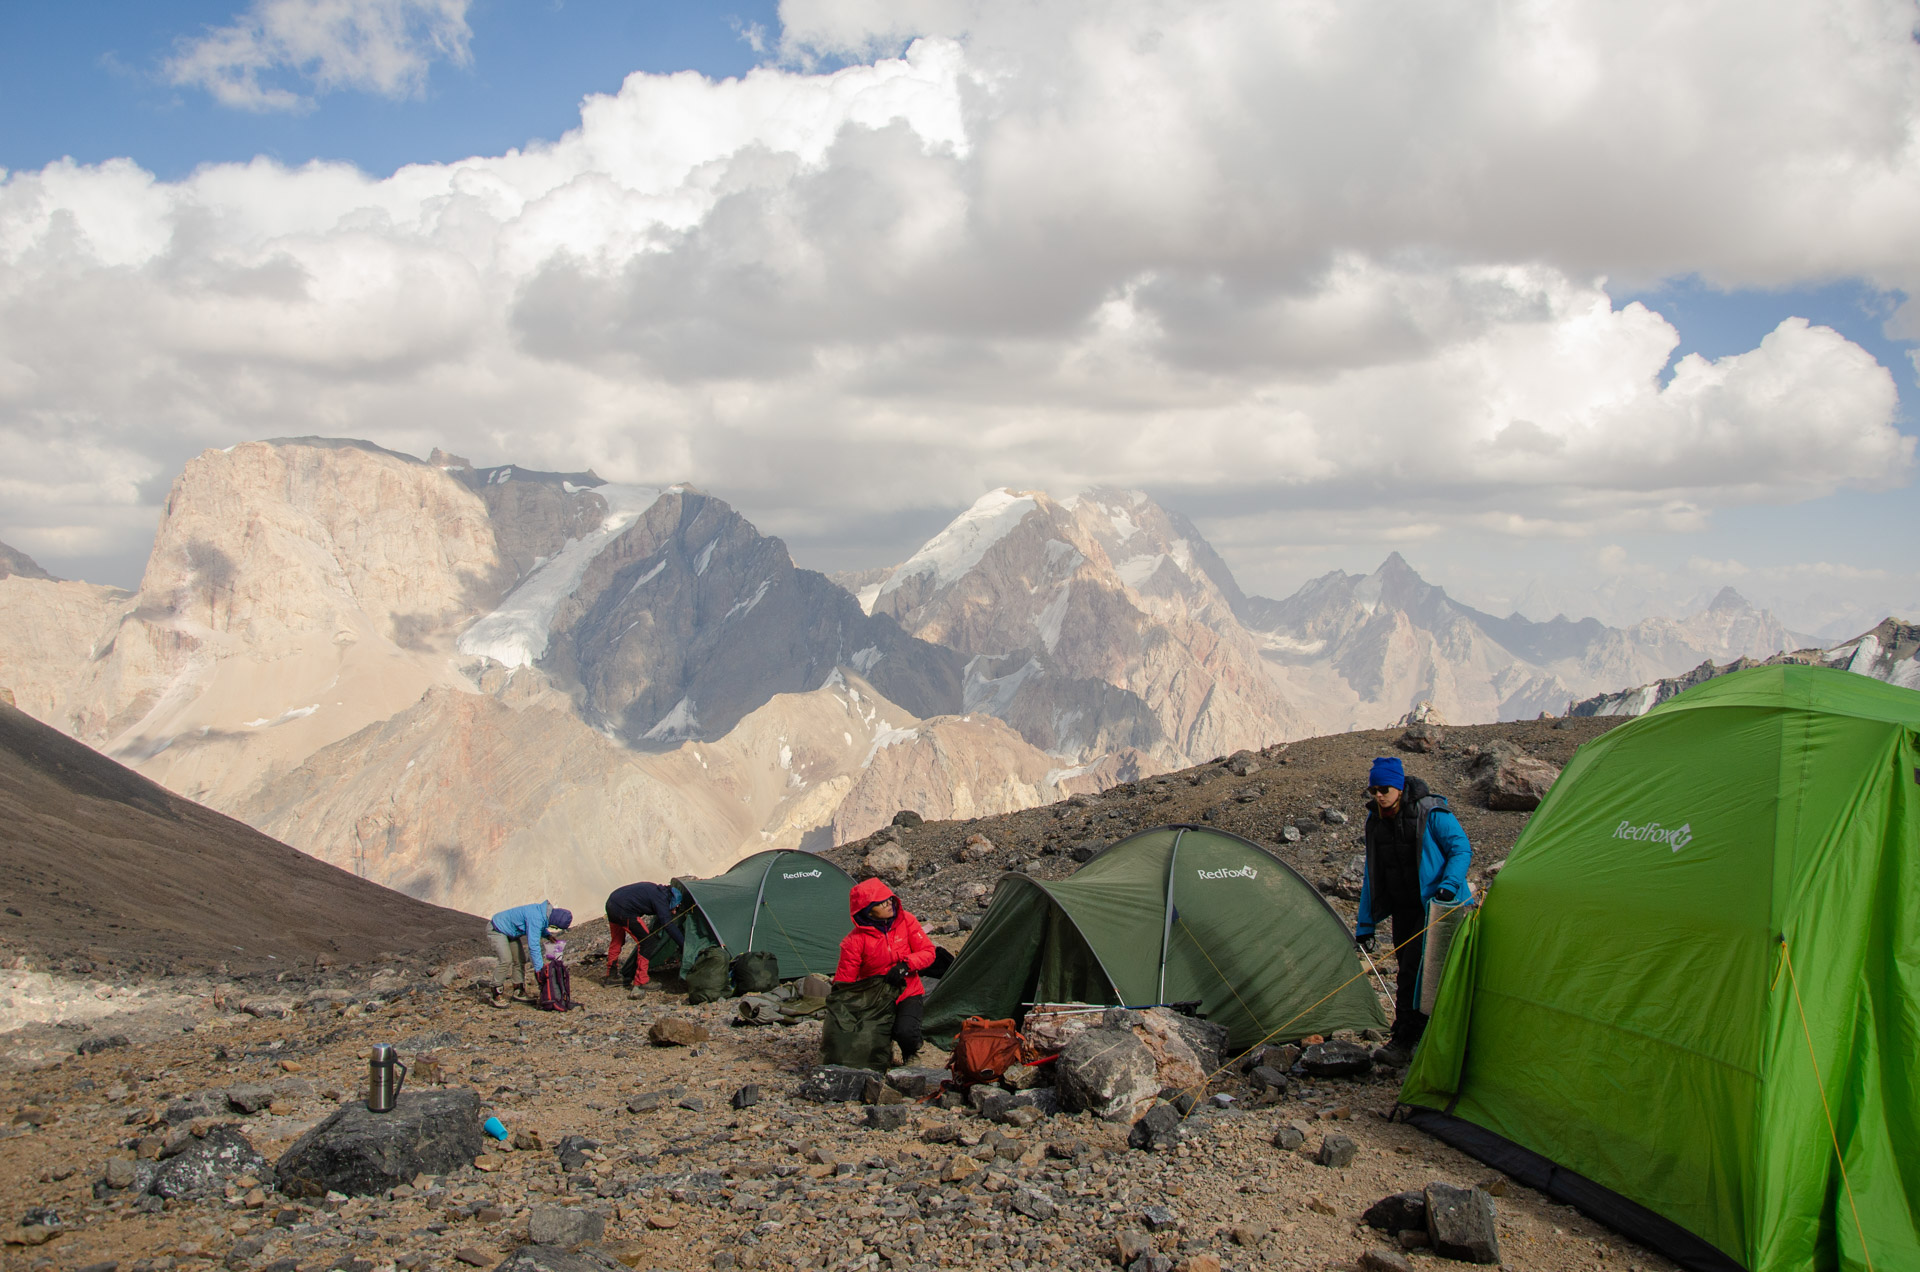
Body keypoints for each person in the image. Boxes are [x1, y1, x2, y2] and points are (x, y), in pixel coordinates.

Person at [1354, 756, 1474, 1066]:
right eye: (1373, 790)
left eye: (1384, 788)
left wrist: (1448, 886)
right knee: (1409, 969)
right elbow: (1373, 873)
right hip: (1404, 908)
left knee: (1418, 972)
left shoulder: (1430, 811)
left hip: (1439, 907)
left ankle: (1407, 1039)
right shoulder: (1375, 822)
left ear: (1398, 786)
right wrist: (1365, 924)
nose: (1378, 795)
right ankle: (1415, 1037)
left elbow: (1460, 848)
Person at [834, 878, 937, 1065]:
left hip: (908, 991)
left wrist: (906, 965)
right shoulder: (854, 941)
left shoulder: (907, 921)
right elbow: (844, 980)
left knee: (905, 1031)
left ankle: (910, 1054)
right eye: (881, 902)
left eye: (889, 899)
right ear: (868, 909)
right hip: (875, 998)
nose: (889, 904)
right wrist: (841, 1009)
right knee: (870, 1043)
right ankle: (883, 1052)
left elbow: (929, 953)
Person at [604, 881, 686, 996]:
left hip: (612, 903)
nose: (674, 910)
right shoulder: (661, 899)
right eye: (675, 906)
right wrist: (683, 944)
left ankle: (611, 976)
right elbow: (668, 924)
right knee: (647, 942)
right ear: (673, 900)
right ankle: (641, 981)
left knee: (617, 940)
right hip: (625, 910)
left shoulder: (658, 891)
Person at [488, 901, 573, 1008]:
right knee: (506, 959)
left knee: (520, 959)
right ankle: (496, 994)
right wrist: (539, 970)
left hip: (509, 932)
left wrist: (547, 935)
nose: (554, 928)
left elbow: (540, 926)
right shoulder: (536, 917)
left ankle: (518, 991)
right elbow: (533, 946)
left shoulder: (543, 912)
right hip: (497, 929)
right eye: (555, 927)